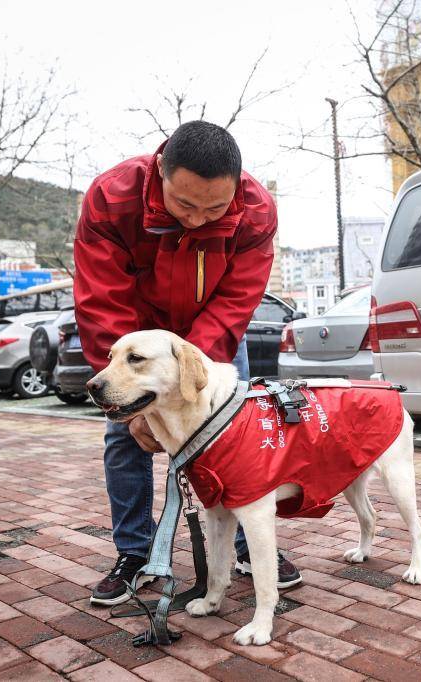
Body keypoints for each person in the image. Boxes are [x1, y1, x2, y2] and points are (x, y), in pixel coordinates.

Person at [74, 121, 302, 607]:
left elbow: (236, 300)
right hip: (137, 329)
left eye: (214, 208)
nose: (198, 220)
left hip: (212, 332)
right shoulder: (111, 197)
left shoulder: (257, 210)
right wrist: (137, 406)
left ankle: (248, 547)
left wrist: (190, 373)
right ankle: (134, 553)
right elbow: (102, 302)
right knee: (123, 436)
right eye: (185, 205)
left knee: (237, 430)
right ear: (160, 171)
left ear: (237, 188)